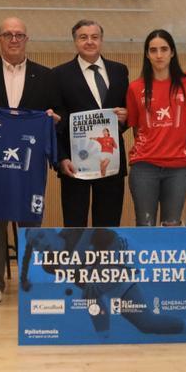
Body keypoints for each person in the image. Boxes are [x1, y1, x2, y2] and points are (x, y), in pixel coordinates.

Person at [0, 16, 61, 306]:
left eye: (19, 34)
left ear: (27, 39)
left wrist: (54, 120)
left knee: (31, 222)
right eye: (8, 34)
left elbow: (58, 113)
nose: (14, 39)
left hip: (30, 166)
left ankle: (31, 282)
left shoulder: (46, 77)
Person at [52, 19, 129, 228]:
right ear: (75, 41)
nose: (89, 42)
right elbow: (56, 122)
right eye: (83, 37)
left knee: (108, 226)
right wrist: (61, 158)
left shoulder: (119, 71)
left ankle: (105, 253)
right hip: (75, 164)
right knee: (75, 226)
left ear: (101, 40)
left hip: (110, 162)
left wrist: (126, 117)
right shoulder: (59, 74)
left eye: (94, 37)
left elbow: (127, 111)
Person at [125, 29, 186, 227]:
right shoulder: (135, 88)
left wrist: (172, 143)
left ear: (172, 52)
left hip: (177, 167)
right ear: (147, 54)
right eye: (153, 50)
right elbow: (136, 128)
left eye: (164, 49)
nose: (159, 55)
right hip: (144, 166)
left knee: (172, 226)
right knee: (145, 225)